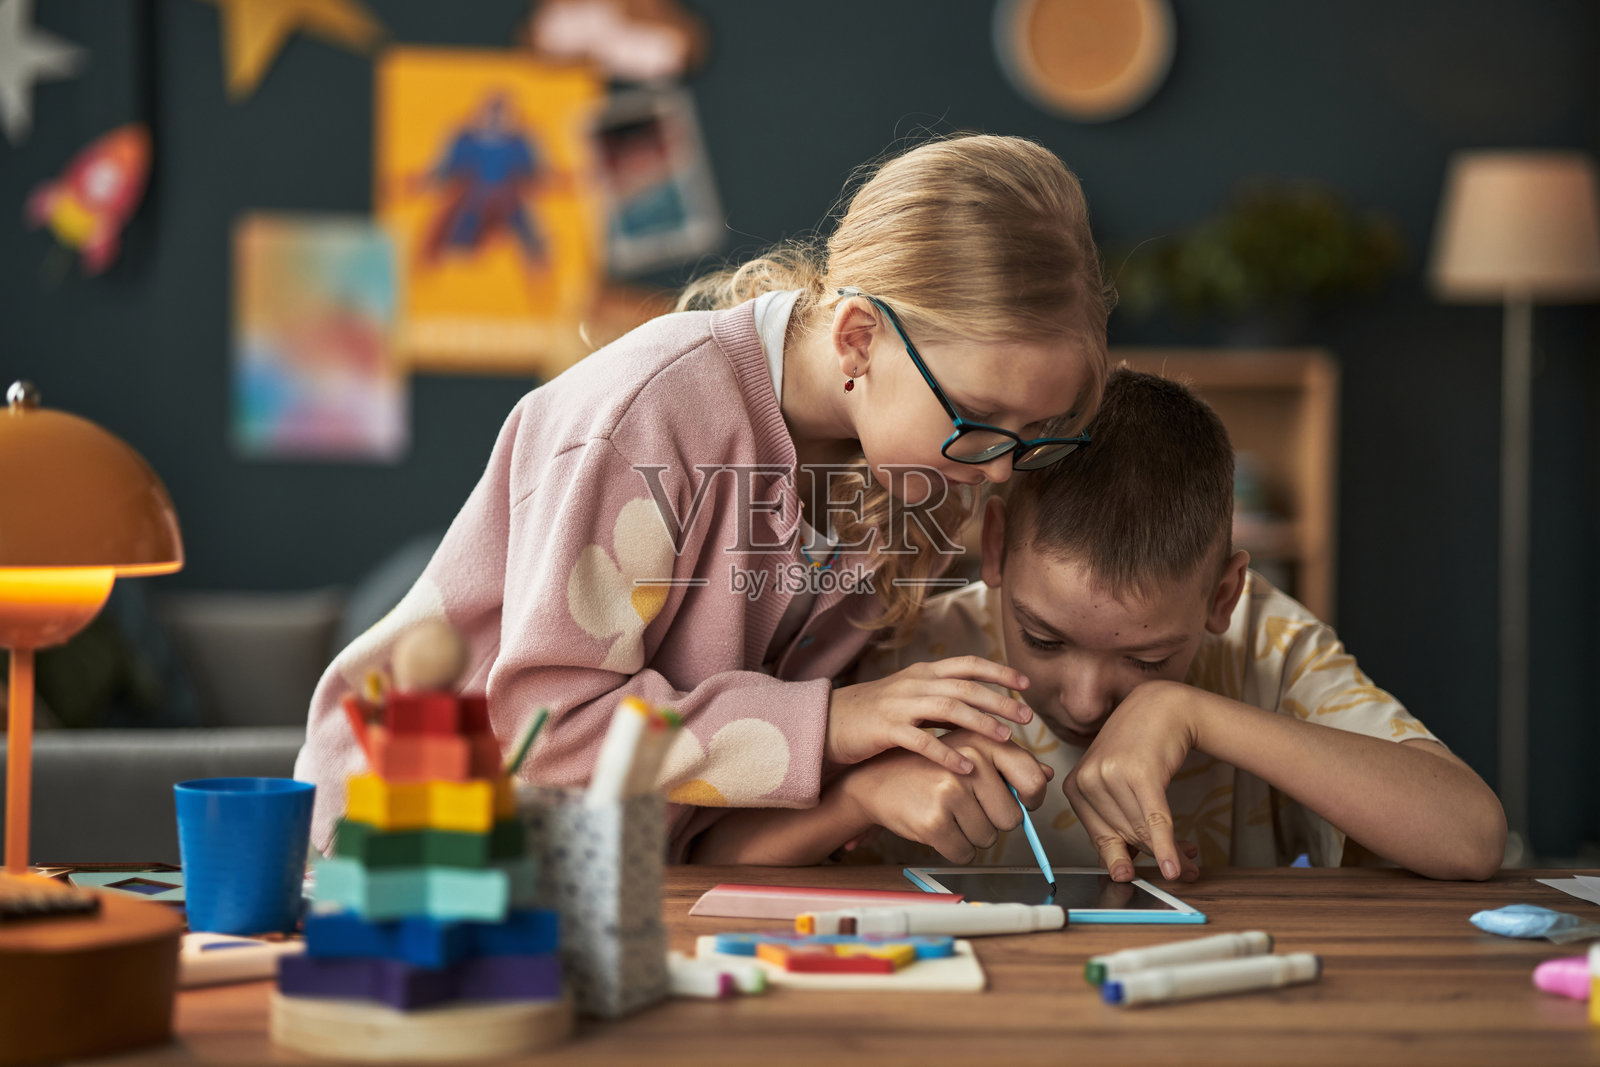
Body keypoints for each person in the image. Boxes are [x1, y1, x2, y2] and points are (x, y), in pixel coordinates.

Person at [295, 134, 1114, 859]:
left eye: (1034, 430)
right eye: (979, 417)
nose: (1003, 467)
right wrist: (833, 721)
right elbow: (548, 728)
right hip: (405, 836)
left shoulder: (928, 468)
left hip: (610, 869)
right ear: (859, 336)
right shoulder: (646, 415)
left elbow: (728, 774)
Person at [691, 369, 1507, 882]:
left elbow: (1471, 836)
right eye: (1043, 638)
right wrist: (858, 798)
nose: (1084, 698)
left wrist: (1191, 711)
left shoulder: (1261, 640)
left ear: (1221, 596)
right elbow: (707, 864)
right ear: (998, 545)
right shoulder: (910, 649)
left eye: (1148, 657)